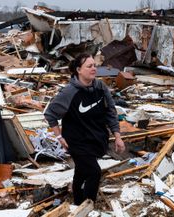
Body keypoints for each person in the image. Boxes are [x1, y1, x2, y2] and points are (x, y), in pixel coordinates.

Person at [44, 53, 125, 205]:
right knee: (94, 172)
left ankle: (77, 204)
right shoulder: (69, 92)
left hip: (96, 139)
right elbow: (50, 114)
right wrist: (59, 137)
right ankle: (88, 206)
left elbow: (111, 112)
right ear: (78, 70)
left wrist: (118, 136)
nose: (94, 68)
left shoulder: (100, 87)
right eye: (89, 66)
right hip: (76, 141)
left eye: (95, 65)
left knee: (81, 172)